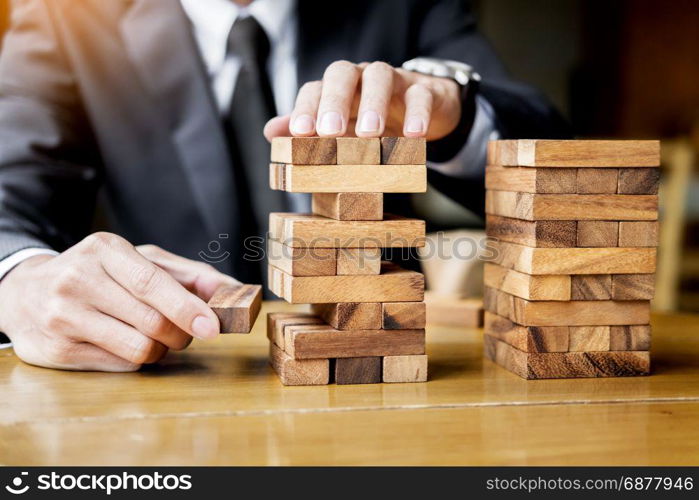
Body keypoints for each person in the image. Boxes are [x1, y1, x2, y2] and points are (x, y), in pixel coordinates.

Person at [0, 0, 568, 372]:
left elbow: (557, 160)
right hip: (182, 372)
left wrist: (457, 116)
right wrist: (18, 276)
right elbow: (9, 192)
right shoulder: (62, 15)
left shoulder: (403, 5)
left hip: (378, 365)